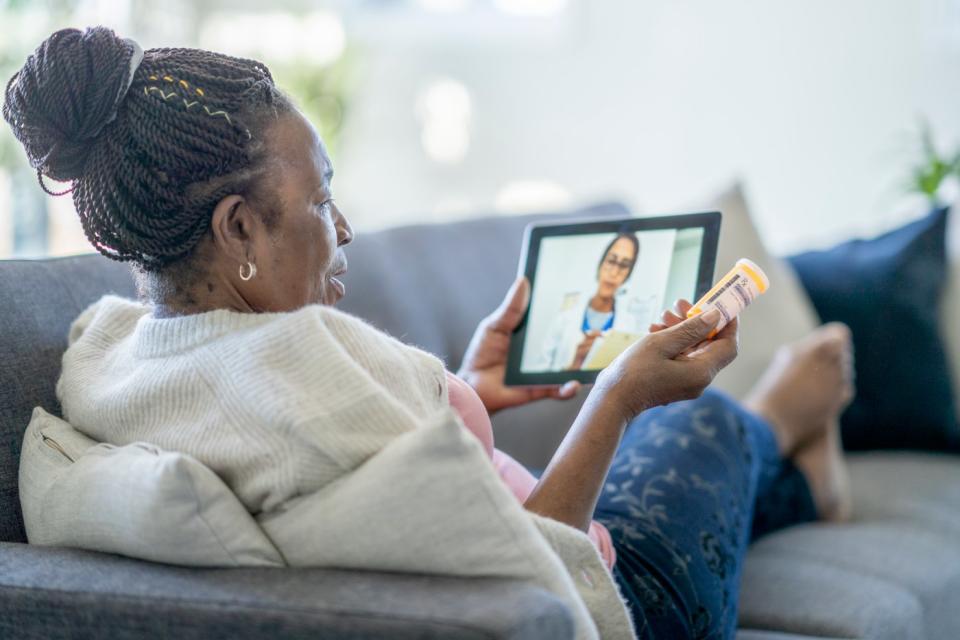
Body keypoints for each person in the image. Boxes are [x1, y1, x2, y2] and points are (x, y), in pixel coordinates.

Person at [4, 27, 854, 640]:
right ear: (237, 231)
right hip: (629, 590)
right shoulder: (295, 380)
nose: (344, 228)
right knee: (692, 420)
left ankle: (802, 478)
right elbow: (538, 578)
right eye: (319, 201)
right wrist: (618, 397)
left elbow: (385, 484)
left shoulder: (120, 358)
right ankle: (786, 417)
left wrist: (469, 389)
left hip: (536, 507)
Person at [536, 231, 659, 371]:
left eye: (624, 265)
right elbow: (540, 375)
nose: (613, 273)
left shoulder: (630, 324)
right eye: (611, 261)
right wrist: (574, 366)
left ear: (628, 274)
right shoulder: (564, 318)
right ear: (601, 263)